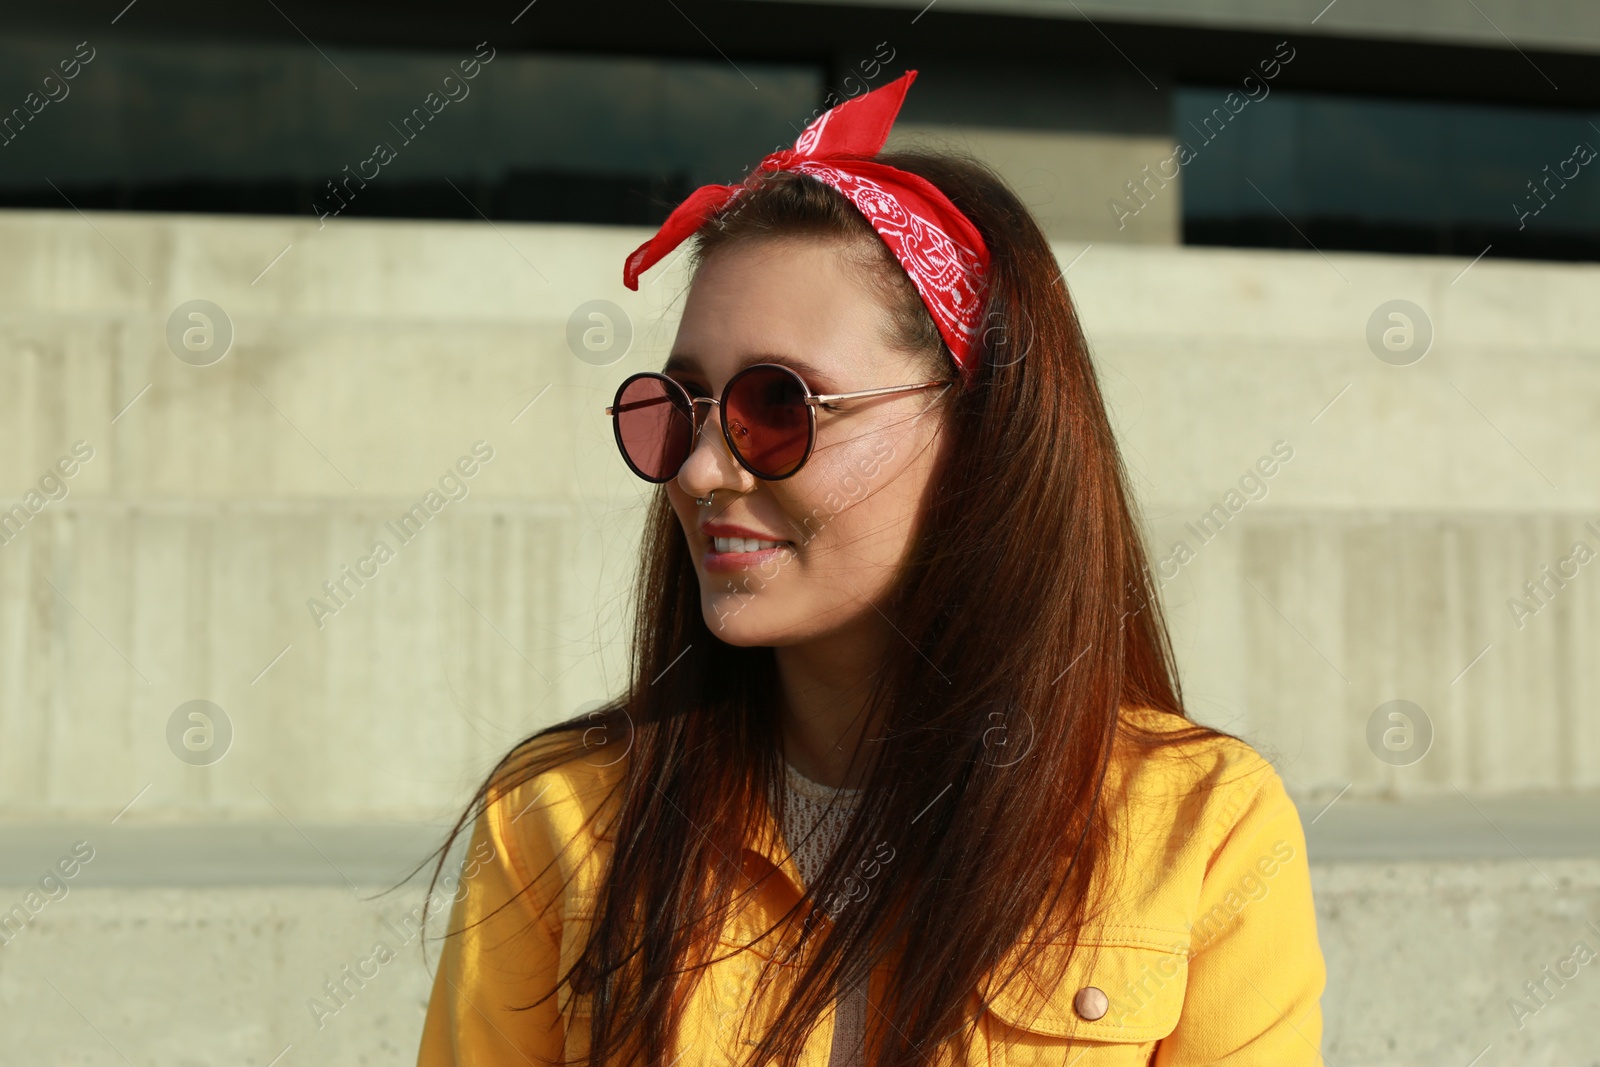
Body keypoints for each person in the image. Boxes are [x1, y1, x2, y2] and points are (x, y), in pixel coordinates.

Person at [415, 70, 1325, 1067]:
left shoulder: (1204, 823)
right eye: (679, 407)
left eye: (778, 404)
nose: (703, 471)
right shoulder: (557, 816)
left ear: (976, 429)